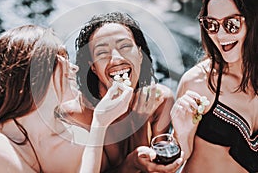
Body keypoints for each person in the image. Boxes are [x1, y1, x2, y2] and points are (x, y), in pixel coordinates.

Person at [0, 24, 134, 173]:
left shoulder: (76, 138)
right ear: (33, 75)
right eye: (60, 59)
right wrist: (99, 125)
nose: (73, 68)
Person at [75, 12, 183, 172]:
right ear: (93, 67)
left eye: (125, 46)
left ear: (140, 54)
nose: (116, 58)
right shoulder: (80, 115)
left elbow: (157, 167)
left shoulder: (160, 101)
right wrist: (134, 160)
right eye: (102, 52)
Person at [171, 0, 258, 173]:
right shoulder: (198, 82)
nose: (220, 35)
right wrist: (181, 135)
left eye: (231, 24)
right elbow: (176, 160)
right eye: (211, 24)